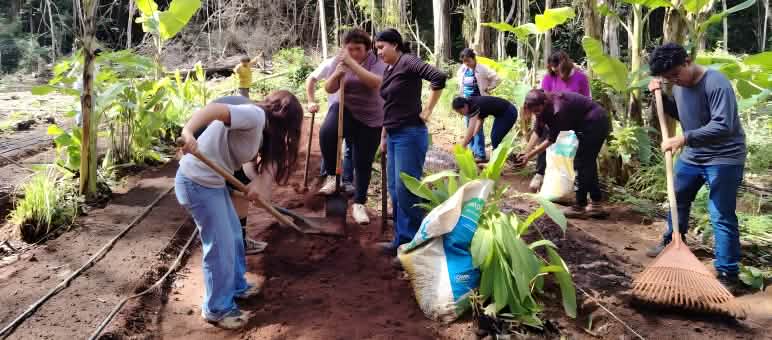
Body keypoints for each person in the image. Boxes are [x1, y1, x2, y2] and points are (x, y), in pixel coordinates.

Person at [176, 91, 302, 329]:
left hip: (213, 183)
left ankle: (235, 285)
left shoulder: (258, 129)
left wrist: (255, 184)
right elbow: (214, 110)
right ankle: (217, 308)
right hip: (196, 183)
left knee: (234, 235)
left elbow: (249, 163)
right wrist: (188, 132)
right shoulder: (254, 116)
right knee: (220, 245)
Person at [645, 43, 746, 290]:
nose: (674, 81)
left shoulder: (715, 82)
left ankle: (728, 273)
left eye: (676, 75)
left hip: (724, 157)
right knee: (677, 196)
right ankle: (673, 241)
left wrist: (683, 138)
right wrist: (661, 97)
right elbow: (684, 115)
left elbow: (723, 125)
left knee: (720, 213)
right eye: (668, 79)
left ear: (687, 61)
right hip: (694, 155)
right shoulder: (679, 86)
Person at [374, 28, 446, 262]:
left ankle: (414, 247)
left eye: (381, 47)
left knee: (407, 191)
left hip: (410, 134)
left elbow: (439, 77)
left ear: (395, 45)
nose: (379, 52)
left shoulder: (408, 61)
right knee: (396, 190)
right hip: (395, 135)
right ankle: (401, 239)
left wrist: (428, 109)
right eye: (376, 48)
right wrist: (384, 136)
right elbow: (390, 106)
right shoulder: (390, 68)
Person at [317, 29, 387, 225]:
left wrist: (352, 65)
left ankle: (359, 204)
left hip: (372, 116)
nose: (354, 52)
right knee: (327, 133)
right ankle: (331, 175)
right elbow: (329, 88)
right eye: (350, 49)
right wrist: (337, 73)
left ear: (367, 49)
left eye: (358, 49)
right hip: (345, 109)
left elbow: (376, 83)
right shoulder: (339, 61)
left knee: (362, 162)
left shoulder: (377, 62)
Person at [515, 90, 609, 218]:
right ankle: (596, 204)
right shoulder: (542, 107)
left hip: (595, 121)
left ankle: (579, 206)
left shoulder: (557, 109)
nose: (536, 113)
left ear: (544, 103)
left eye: (537, 110)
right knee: (588, 162)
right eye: (533, 111)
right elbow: (538, 131)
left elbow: (550, 140)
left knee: (582, 163)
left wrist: (529, 156)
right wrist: (525, 152)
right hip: (585, 124)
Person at [192, 96, 267, 256]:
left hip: (204, 129)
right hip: (203, 132)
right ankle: (230, 240)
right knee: (233, 184)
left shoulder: (256, 117)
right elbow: (248, 163)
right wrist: (252, 185)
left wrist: (255, 184)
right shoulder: (256, 125)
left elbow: (249, 162)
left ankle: (230, 237)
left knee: (236, 184)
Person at [529, 50, 592, 192]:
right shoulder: (548, 78)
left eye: (558, 69)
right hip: (552, 117)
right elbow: (541, 101)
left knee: (577, 144)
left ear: (565, 66)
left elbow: (587, 99)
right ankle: (540, 173)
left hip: (575, 119)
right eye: (552, 69)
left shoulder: (580, 78)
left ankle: (575, 178)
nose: (556, 72)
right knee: (544, 134)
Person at [306, 55, 355, 192]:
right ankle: (328, 177)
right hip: (335, 112)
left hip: (357, 113)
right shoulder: (331, 63)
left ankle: (347, 181)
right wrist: (311, 101)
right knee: (329, 144)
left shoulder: (366, 65)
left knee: (350, 148)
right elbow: (311, 79)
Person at [455, 48, 501, 162]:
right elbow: (460, 84)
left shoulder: (483, 68)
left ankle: (480, 154)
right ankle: (472, 152)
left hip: (479, 103)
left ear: (474, 58)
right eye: (464, 61)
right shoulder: (462, 70)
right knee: (469, 128)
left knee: (477, 128)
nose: (467, 63)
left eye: (468, 61)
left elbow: (497, 78)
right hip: (466, 103)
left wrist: (490, 88)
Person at [451, 95, 517, 153]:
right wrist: (474, 134)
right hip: (502, 113)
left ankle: (498, 159)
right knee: (495, 137)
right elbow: (480, 120)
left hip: (508, 112)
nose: (461, 114)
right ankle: (498, 156)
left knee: (495, 137)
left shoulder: (473, 106)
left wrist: (463, 145)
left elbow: (471, 128)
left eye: (460, 111)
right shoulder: (470, 103)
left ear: (465, 106)